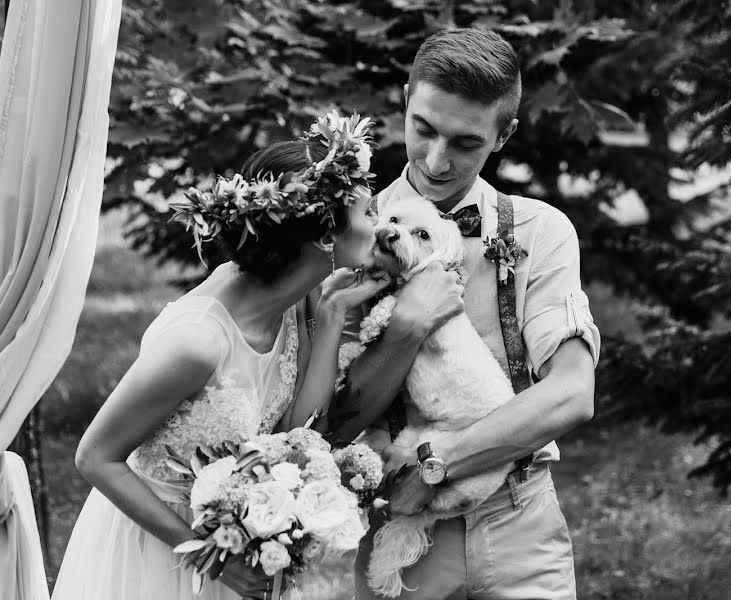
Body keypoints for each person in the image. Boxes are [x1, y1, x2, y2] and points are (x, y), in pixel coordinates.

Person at [51, 114, 392, 600]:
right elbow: (95, 458)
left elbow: (301, 429)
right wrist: (205, 554)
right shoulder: (198, 342)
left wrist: (333, 313)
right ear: (324, 237)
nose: (380, 225)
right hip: (157, 551)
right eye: (370, 212)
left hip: (235, 546)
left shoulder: (293, 299)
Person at [333, 28, 602, 600]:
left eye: (465, 142)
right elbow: (330, 421)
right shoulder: (350, 234)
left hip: (518, 524)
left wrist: (438, 465)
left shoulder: (539, 232)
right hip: (399, 534)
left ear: (504, 135)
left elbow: (572, 393)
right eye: (423, 129)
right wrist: (406, 328)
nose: (436, 160)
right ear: (406, 100)